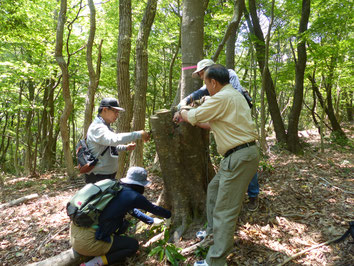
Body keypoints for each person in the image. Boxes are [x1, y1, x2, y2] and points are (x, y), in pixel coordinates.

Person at [174, 64, 259, 266]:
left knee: (225, 211)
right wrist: (190, 116)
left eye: (205, 82)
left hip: (238, 157)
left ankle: (215, 261)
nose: (206, 87)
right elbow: (211, 123)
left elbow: (195, 116)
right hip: (241, 155)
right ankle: (213, 232)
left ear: (213, 82)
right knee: (214, 189)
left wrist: (183, 110)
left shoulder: (222, 97)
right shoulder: (235, 96)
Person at [71, 166, 172, 266]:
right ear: (141, 184)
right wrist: (170, 215)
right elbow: (153, 209)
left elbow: (132, 211)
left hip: (75, 236)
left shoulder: (114, 188)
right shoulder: (134, 196)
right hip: (88, 243)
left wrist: (151, 220)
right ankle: (91, 264)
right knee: (132, 245)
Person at [85, 97, 150, 184]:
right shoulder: (97, 127)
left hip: (106, 175)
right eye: (115, 111)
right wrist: (138, 134)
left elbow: (108, 147)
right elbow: (113, 139)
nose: (117, 114)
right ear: (105, 110)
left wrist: (125, 147)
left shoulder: (105, 126)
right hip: (98, 177)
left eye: (118, 112)